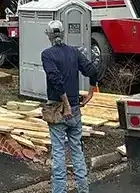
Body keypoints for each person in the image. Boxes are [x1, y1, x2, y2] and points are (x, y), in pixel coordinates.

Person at [41, 20, 99, 193]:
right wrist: (90, 93)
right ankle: (83, 189)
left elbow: (56, 80)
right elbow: (92, 70)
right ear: (63, 33)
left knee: (58, 152)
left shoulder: (47, 55)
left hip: (58, 109)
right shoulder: (74, 52)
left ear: (49, 36)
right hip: (75, 110)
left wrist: (65, 104)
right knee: (76, 150)